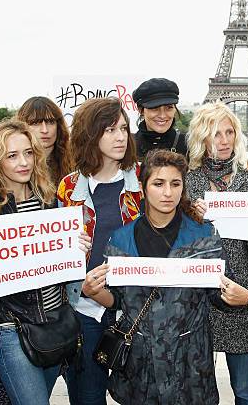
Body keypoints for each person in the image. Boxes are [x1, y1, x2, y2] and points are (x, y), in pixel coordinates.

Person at [82, 149, 248, 404]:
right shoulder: (121, 239)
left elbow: (221, 291)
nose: (168, 192)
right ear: (143, 186)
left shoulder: (203, 236)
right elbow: (117, 300)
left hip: (190, 367)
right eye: (158, 184)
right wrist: (94, 291)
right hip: (140, 369)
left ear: (183, 187)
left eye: (175, 184)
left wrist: (241, 297)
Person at [0, 119, 90, 405]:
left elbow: (58, 266)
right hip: (11, 329)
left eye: (28, 153)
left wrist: (75, 250)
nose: (23, 162)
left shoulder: (48, 201)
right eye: (12, 155)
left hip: (55, 324)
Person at [185, 102, 248, 405]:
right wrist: (191, 218)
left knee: (246, 393)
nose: (223, 140)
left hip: (243, 293)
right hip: (198, 298)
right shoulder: (186, 182)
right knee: (198, 392)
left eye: (229, 132)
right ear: (201, 137)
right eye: (214, 133)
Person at [57, 98, 142, 405]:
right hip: (85, 309)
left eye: (123, 128)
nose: (121, 136)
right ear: (90, 134)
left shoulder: (144, 181)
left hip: (135, 310)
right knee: (88, 397)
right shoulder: (67, 188)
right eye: (109, 130)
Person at [17, 96, 73, 184]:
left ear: (58, 126)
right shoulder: (14, 166)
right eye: (35, 123)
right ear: (22, 126)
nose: (44, 130)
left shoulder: (75, 163)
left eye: (50, 122)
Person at [132, 78, 188, 161]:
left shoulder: (188, 146)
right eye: (154, 108)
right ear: (141, 110)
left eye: (169, 108)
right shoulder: (128, 146)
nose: (162, 115)